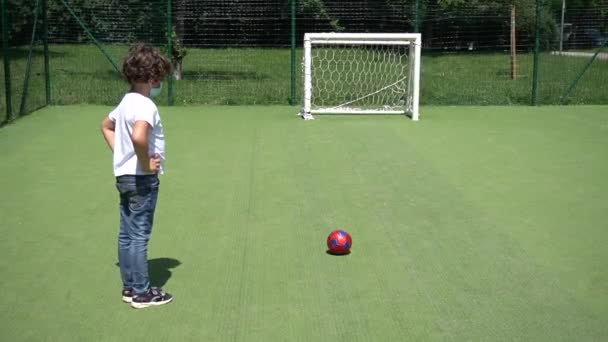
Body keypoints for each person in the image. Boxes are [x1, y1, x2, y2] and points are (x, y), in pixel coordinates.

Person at [100, 43, 173, 309]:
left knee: (127, 234)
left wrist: (122, 155)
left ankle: (130, 287)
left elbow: (105, 126)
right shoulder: (145, 105)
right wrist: (144, 163)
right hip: (142, 179)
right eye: (160, 79)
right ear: (153, 79)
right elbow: (139, 136)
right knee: (140, 235)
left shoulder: (125, 102)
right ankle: (142, 293)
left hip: (124, 177)